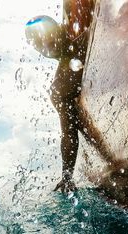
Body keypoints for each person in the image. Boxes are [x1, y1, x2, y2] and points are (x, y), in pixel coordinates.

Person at [25, 1, 95, 193]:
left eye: (46, 36)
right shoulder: (60, 87)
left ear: (58, 28)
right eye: (39, 44)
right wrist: (67, 176)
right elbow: (68, 130)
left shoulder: (78, 23)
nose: (45, 44)